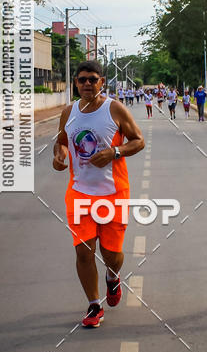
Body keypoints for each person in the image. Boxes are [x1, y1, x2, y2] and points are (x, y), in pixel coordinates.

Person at [53, 60, 145, 328]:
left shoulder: (114, 109)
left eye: (93, 79)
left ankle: (113, 276)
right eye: (82, 79)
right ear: (75, 83)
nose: (87, 84)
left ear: (102, 82)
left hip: (113, 192)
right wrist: (59, 156)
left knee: (111, 253)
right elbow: (61, 142)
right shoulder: (68, 112)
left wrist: (114, 152)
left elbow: (138, 141)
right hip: (79, 192)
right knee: (84, 251)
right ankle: (94, 305)